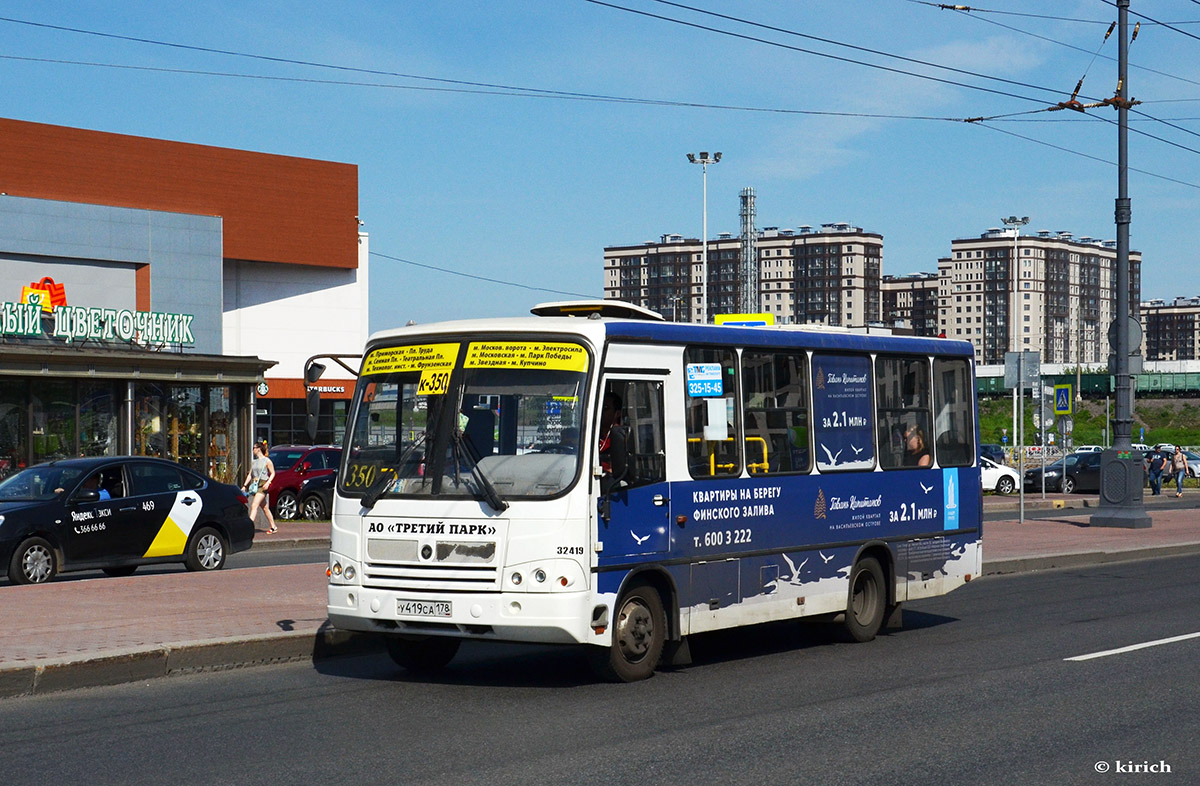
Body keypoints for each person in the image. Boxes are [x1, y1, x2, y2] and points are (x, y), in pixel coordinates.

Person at [242, 440, 277, 533]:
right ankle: (273, 526)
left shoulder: (267, 461)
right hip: (255, 484)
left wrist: (268, 482)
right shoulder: (254, 462)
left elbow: (273, 473)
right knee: (265, 507)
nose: (253, 450)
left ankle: (248, 527)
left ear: (258, 449)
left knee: (254, 505)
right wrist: (245, 485)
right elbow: (250, 474)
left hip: (263, 484)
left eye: (254, 448)